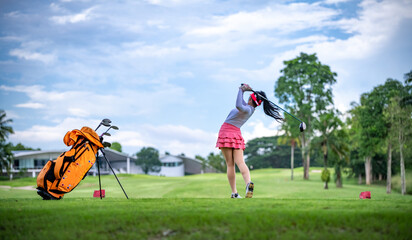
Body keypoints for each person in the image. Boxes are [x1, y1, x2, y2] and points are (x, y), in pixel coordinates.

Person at [216, 83, 283, 198]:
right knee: (240, 162)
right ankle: (248, 184)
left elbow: (238, 104)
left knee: (230, 164)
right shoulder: (250, 109)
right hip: (236, 133)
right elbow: (240, 101)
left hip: (226, 132)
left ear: (251, 99)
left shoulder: (246, 109)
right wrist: (244, 90)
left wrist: (241, 90)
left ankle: (234, 193)